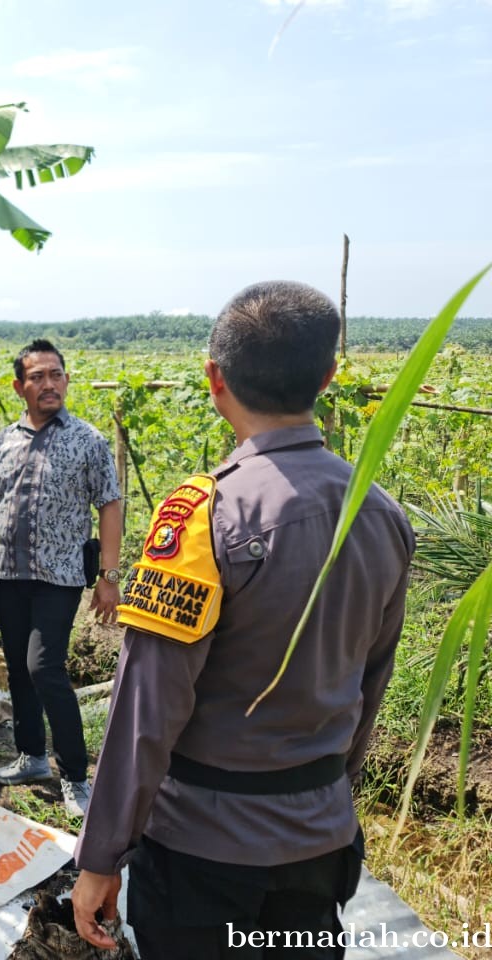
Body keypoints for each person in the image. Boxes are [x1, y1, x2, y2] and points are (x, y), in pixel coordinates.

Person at [70, 281, 414, 959]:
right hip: (322, 839)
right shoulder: (382, 515)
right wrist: (327, 797)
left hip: (204, 853)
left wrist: (102, 855)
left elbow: (147, 710)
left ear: (213, 378)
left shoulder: (202, 517)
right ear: (327, 377)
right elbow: (371, 684)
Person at [0, 339, 122, 818]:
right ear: (19, 386)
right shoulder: (4, 441)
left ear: (66, 381)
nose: (48, 384)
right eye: (37, 377)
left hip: (60, 576)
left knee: (43, 667)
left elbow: (110, 505)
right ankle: (32, 758)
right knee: (17, 669)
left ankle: (76, 776)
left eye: (55, 375)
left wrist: (110, 575)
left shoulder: (88, 441)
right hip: (8, 574)